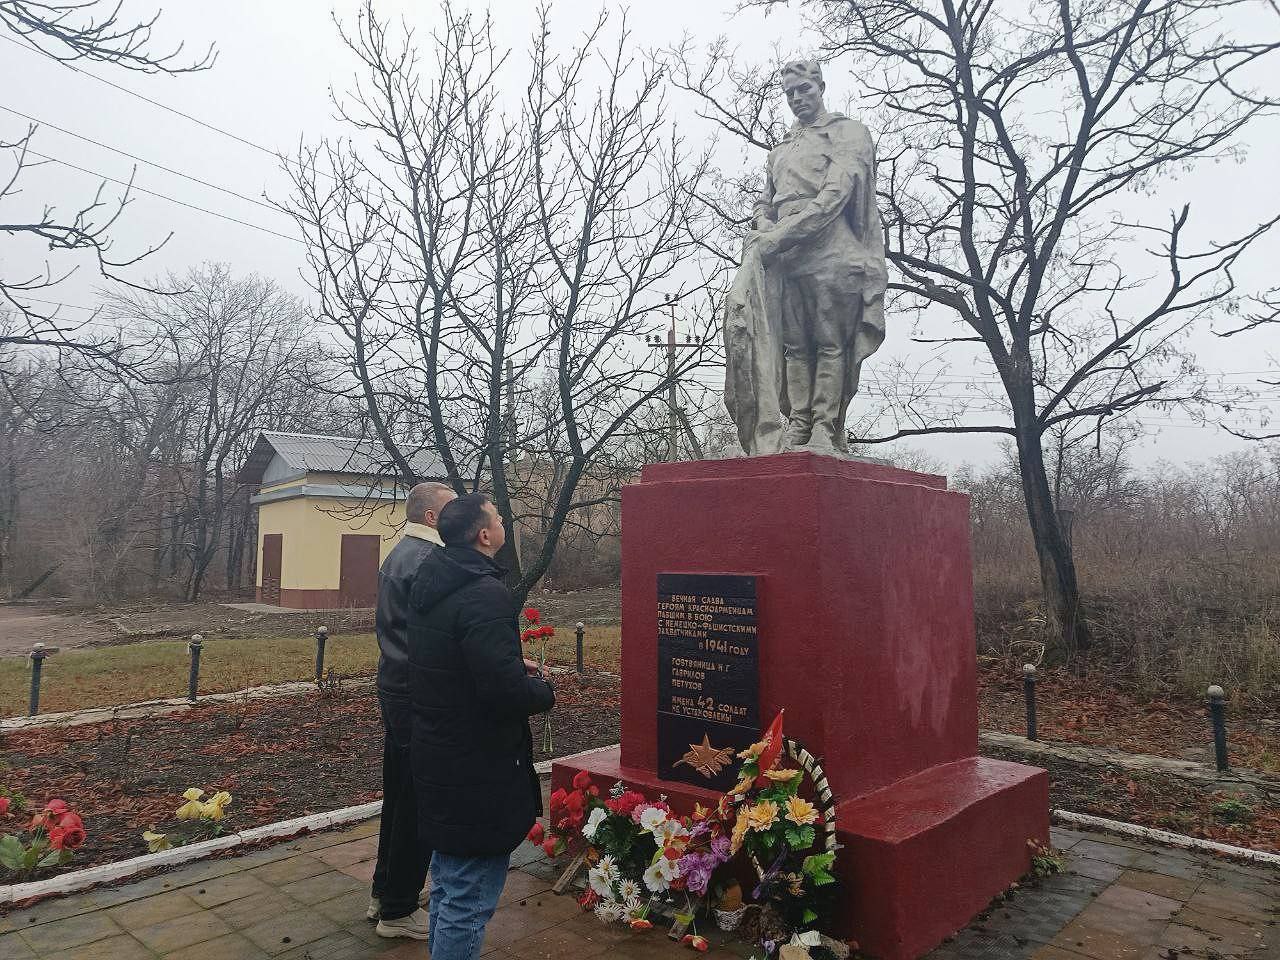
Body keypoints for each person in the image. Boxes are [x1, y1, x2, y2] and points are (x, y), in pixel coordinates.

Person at [407, 493, 554, 960]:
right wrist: (541, 689)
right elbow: (501, 691)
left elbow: (454, 660)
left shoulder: (434, 581)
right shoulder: (485, 593)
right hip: (477, 768)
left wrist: (509, 661)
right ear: (484, 534)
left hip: (440, 753)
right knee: (468, 900)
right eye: (496, 516)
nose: (501, 521)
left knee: (450, 888)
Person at [723, 59, 887, 455]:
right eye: (790, 93)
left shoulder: (847, 133)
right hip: (787, 256)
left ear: (820, 87)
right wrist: (764, 225)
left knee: (830, 343)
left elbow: (835, 195)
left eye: (804, 89)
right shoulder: (780, 151)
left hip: (832, 252)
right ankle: (798, 424)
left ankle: (824, 428)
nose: (797, 99)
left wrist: (780, 236)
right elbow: (766, 203)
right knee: (795, 347)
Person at [368, 481, 456, 939]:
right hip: (418, 694)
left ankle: (385, 891)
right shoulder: (428, 561)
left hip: (397, 688)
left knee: (399, 793)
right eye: (450, 508)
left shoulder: (401, 553)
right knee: (418, 801)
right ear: (430, 518)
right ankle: (399, 910)